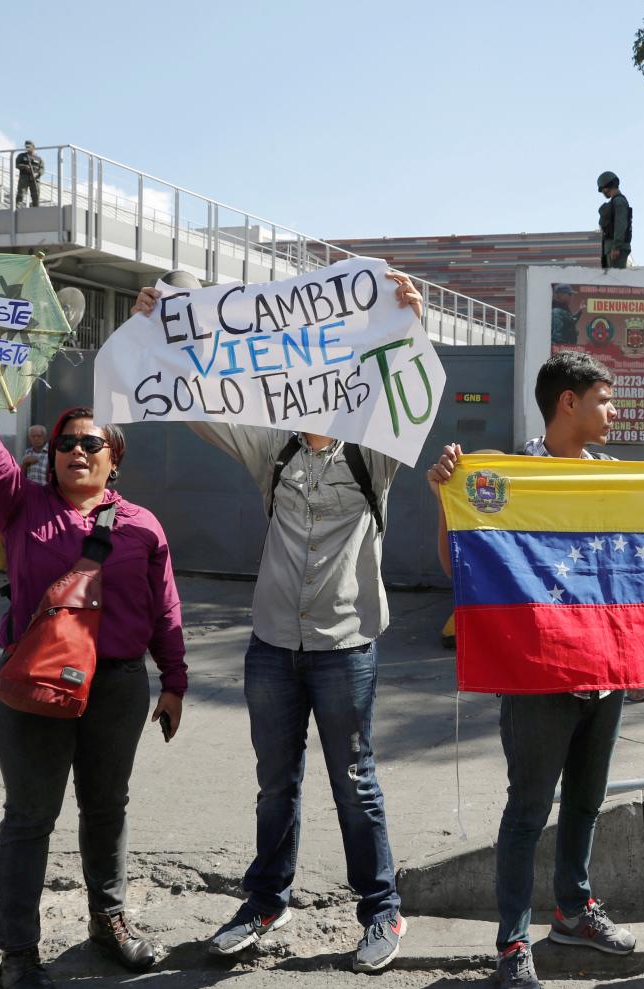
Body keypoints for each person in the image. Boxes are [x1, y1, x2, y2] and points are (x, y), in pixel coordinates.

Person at [426, 351, 644, 989]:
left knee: (585, 802)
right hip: (538, 678)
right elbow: (459, 566)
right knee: (527, 810)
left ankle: (574, 912)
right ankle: (511, 945)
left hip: (604, 677)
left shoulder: (612, 475)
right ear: (567, 404)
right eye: (605, 401)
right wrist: (446, 496)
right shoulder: (510, 476)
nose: (615, 412)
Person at [130, 266, 424, 973]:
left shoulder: (371, 455)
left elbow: (410, 398)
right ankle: (266, 899)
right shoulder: (274, 448)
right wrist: (155, 329)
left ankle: (382, 909)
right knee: (274, 782)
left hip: (345, 645)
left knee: (354, 779)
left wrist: (408, 322)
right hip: (271, 646)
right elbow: (196, 400)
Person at [0, 401, 187, 989]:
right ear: (51, 456)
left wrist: (174, 680)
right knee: (30, 817)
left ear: (114, 459)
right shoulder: (20, 506)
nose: (76, 451)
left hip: (116, 686)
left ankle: (108, 922)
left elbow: (164, 609)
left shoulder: (142, 524)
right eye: (65, 443)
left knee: (107, 807)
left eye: (90, 443)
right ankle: (19, 955)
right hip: (34, 684)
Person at [596, 172, 631, 270]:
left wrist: (616, 247)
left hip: (615, 249)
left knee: (616, 281)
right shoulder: (615, 202)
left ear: (606, 187)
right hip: (611, 248)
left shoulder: (619, 201)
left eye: (602, 189)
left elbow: (620, 224)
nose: (602, 191)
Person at [15, 141, 44, 208]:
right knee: (20, 194)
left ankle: (35, 209)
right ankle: (17, 209)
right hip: (24, 178)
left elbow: (42, 169)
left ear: (33, 147)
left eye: (29, 146)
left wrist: (37, 174)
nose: (27, 148)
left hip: (34, 179)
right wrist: (24, 167)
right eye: (26, 147)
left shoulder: (39, 159)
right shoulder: (21, 156)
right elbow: (17, 164)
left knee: (35, 196)